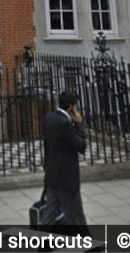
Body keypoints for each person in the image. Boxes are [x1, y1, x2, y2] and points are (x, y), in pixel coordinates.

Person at [41, 90, 89, 234]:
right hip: (67, 180)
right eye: (75, 106)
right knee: (78, 217)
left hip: (52, 175)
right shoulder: (65, 124)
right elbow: (80, 145)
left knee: (49, 216)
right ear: (70, 107)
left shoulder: (48, 118)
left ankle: (42, 247)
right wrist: (79, 125)